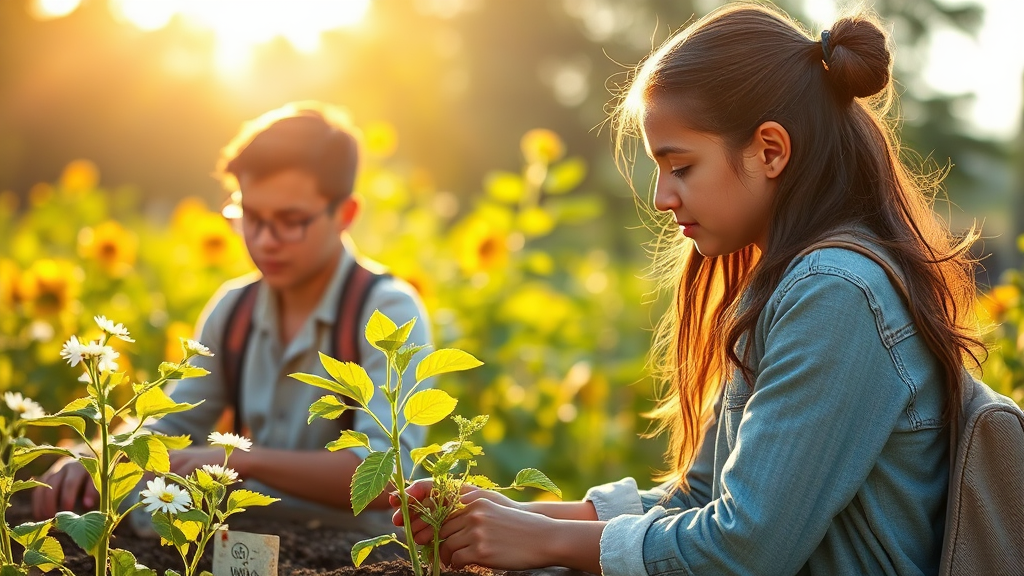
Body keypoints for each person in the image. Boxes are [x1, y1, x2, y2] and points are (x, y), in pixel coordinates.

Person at [393, 4, 984, 574]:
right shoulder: (786, 281)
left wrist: (544, 538)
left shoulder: (834, 293)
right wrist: (512, 518)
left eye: (680, 166)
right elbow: (698, 501)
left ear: (770, 150)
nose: (662, 197)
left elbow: (744, 550)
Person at [34, 101, 433, 532]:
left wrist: (241, 461)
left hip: (357, 551)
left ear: (346, 214)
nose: (265, 241)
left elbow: (383, 476)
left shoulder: (386, 311)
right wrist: (95, 454)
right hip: (251, 545)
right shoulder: (234, 309)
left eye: (290, 221)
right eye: (251, 218)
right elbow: (174, 420)